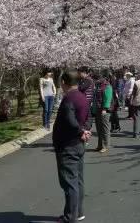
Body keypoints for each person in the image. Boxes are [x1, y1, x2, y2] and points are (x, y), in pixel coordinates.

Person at [53, 70, 92, 223]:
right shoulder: (82, 97)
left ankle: (70, 217)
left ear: (63, 82)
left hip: (68, 145)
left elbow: (70, 121)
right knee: (78, 180)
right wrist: (86, 130)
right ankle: (78, 212)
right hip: (79, 144)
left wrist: (80, 131)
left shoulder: (69, 99)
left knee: (69, 182)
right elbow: (89, 116)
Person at [91, 73, 113, 153]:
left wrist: (105, 108)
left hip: (104, 110)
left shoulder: (107, 86)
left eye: (96, 79)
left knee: (105, 129)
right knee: (99, 129)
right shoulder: (98, 85)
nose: (95, 80)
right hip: (97, 109)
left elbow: (108, 98)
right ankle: (100, 145)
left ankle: (105, 145)